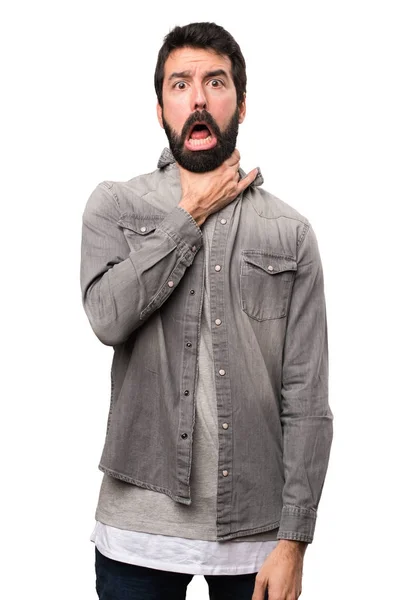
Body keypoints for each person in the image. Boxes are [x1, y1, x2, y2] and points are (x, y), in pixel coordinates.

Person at [80, 21, 334, 600]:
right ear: (160, 108)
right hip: (135, 532)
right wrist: (186, 217)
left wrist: (294, 539)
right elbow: (106, 318)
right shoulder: (114, 206)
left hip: (258, 537)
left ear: (241, 105)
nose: (197, 98)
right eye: (180, 84)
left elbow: (306, 397)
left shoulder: (290, 232)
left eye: (215, 82)